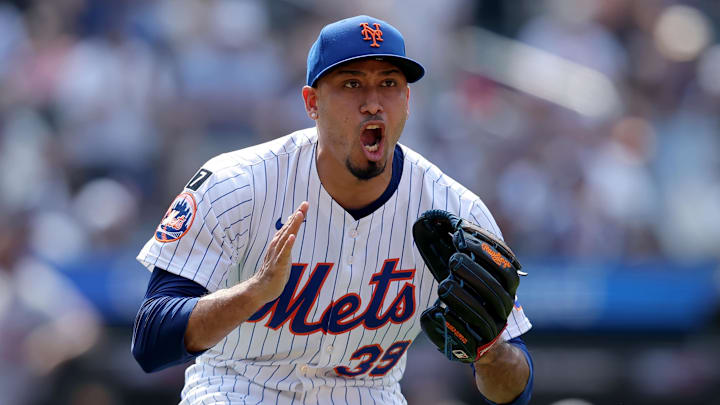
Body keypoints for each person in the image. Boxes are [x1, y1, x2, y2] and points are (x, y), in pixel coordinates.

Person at [132, 15, 533, 405]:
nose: (372, 103)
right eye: (352, 84)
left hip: (368, 394)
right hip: (238, 388)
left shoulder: (454, 211)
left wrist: (491, 351)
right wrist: (254, 293)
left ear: (407, 100)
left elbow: (515, 391)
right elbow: (151, 340)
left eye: (389, 84)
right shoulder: (238, 184)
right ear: (312, 103)